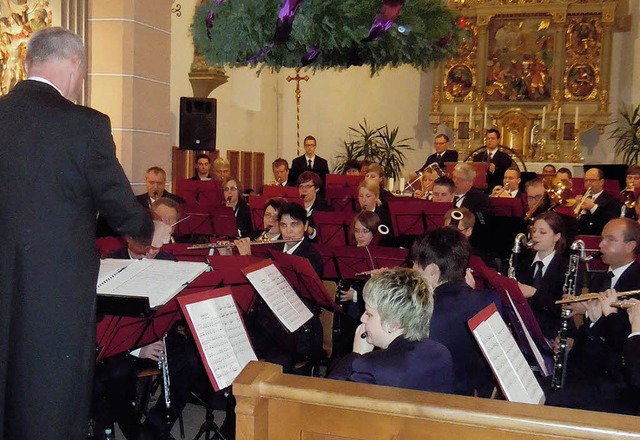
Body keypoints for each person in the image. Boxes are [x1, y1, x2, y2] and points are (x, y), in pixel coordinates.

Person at [0, 27, 161, 440]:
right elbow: (120, 204)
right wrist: (144, 230)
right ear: (75, 64)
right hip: (56, 292)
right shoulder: (85, 125)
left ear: (28, 62)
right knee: (50, 395)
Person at [547, 218, 640, 414]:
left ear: (630, 246)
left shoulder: (637, 284)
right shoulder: (601, 278)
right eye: (601, 239)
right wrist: (573, 340)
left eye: (610, 240)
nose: (600, 245)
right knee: (542, 386)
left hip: (619, 380)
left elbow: (626, 342)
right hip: (592, 365)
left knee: (556, 401)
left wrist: (599, 318)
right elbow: (593, 329)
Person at [329, 268, 454, 393]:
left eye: (369, 314)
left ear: (393, 324)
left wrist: (356, 355)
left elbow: (330, 396)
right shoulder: (441, 353)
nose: (363, 319)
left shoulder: (369, 366)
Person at [410, 227, 501, 396]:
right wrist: (469, 291)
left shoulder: (422, 313)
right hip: (479, 397)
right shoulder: (490, 299)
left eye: (415, 264)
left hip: (437, 400)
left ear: (432, 271)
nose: (413, 269)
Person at [514, 212, 569, 339]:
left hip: (549, 332)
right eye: (533, 231)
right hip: (521, 329)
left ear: (557, 237)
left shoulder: (566, 267)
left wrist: (535, 293)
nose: (535, 236)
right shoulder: (522, 262)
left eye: (542, 232)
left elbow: (562, 306)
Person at [576, 167, 621, 236]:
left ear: (601, 182)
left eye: (592, 180)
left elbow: (610, 220)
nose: (588, 183)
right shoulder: (582, 197)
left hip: (597, 237)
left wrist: (593, 207)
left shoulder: (611, 200)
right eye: (586, 180)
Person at [297, 170, 331, 242]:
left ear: (317, 189)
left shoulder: (325, 209)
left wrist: (311, 232)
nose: (304, 190)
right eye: (301, 187)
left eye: (308, 187)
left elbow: (327, 236)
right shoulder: (294, 208)